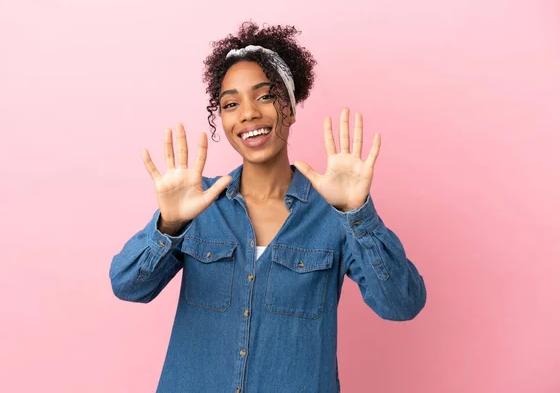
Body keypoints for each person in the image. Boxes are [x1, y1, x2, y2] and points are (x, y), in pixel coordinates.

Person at [109, 21, 426, 393]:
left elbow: (402, 304)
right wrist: (169, 225)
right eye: (231, 104)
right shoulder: (197, 204)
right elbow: (128, 286)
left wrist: (358, 216)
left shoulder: (334, 213)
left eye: (264, 96)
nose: (247, 113)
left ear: (289, 109)